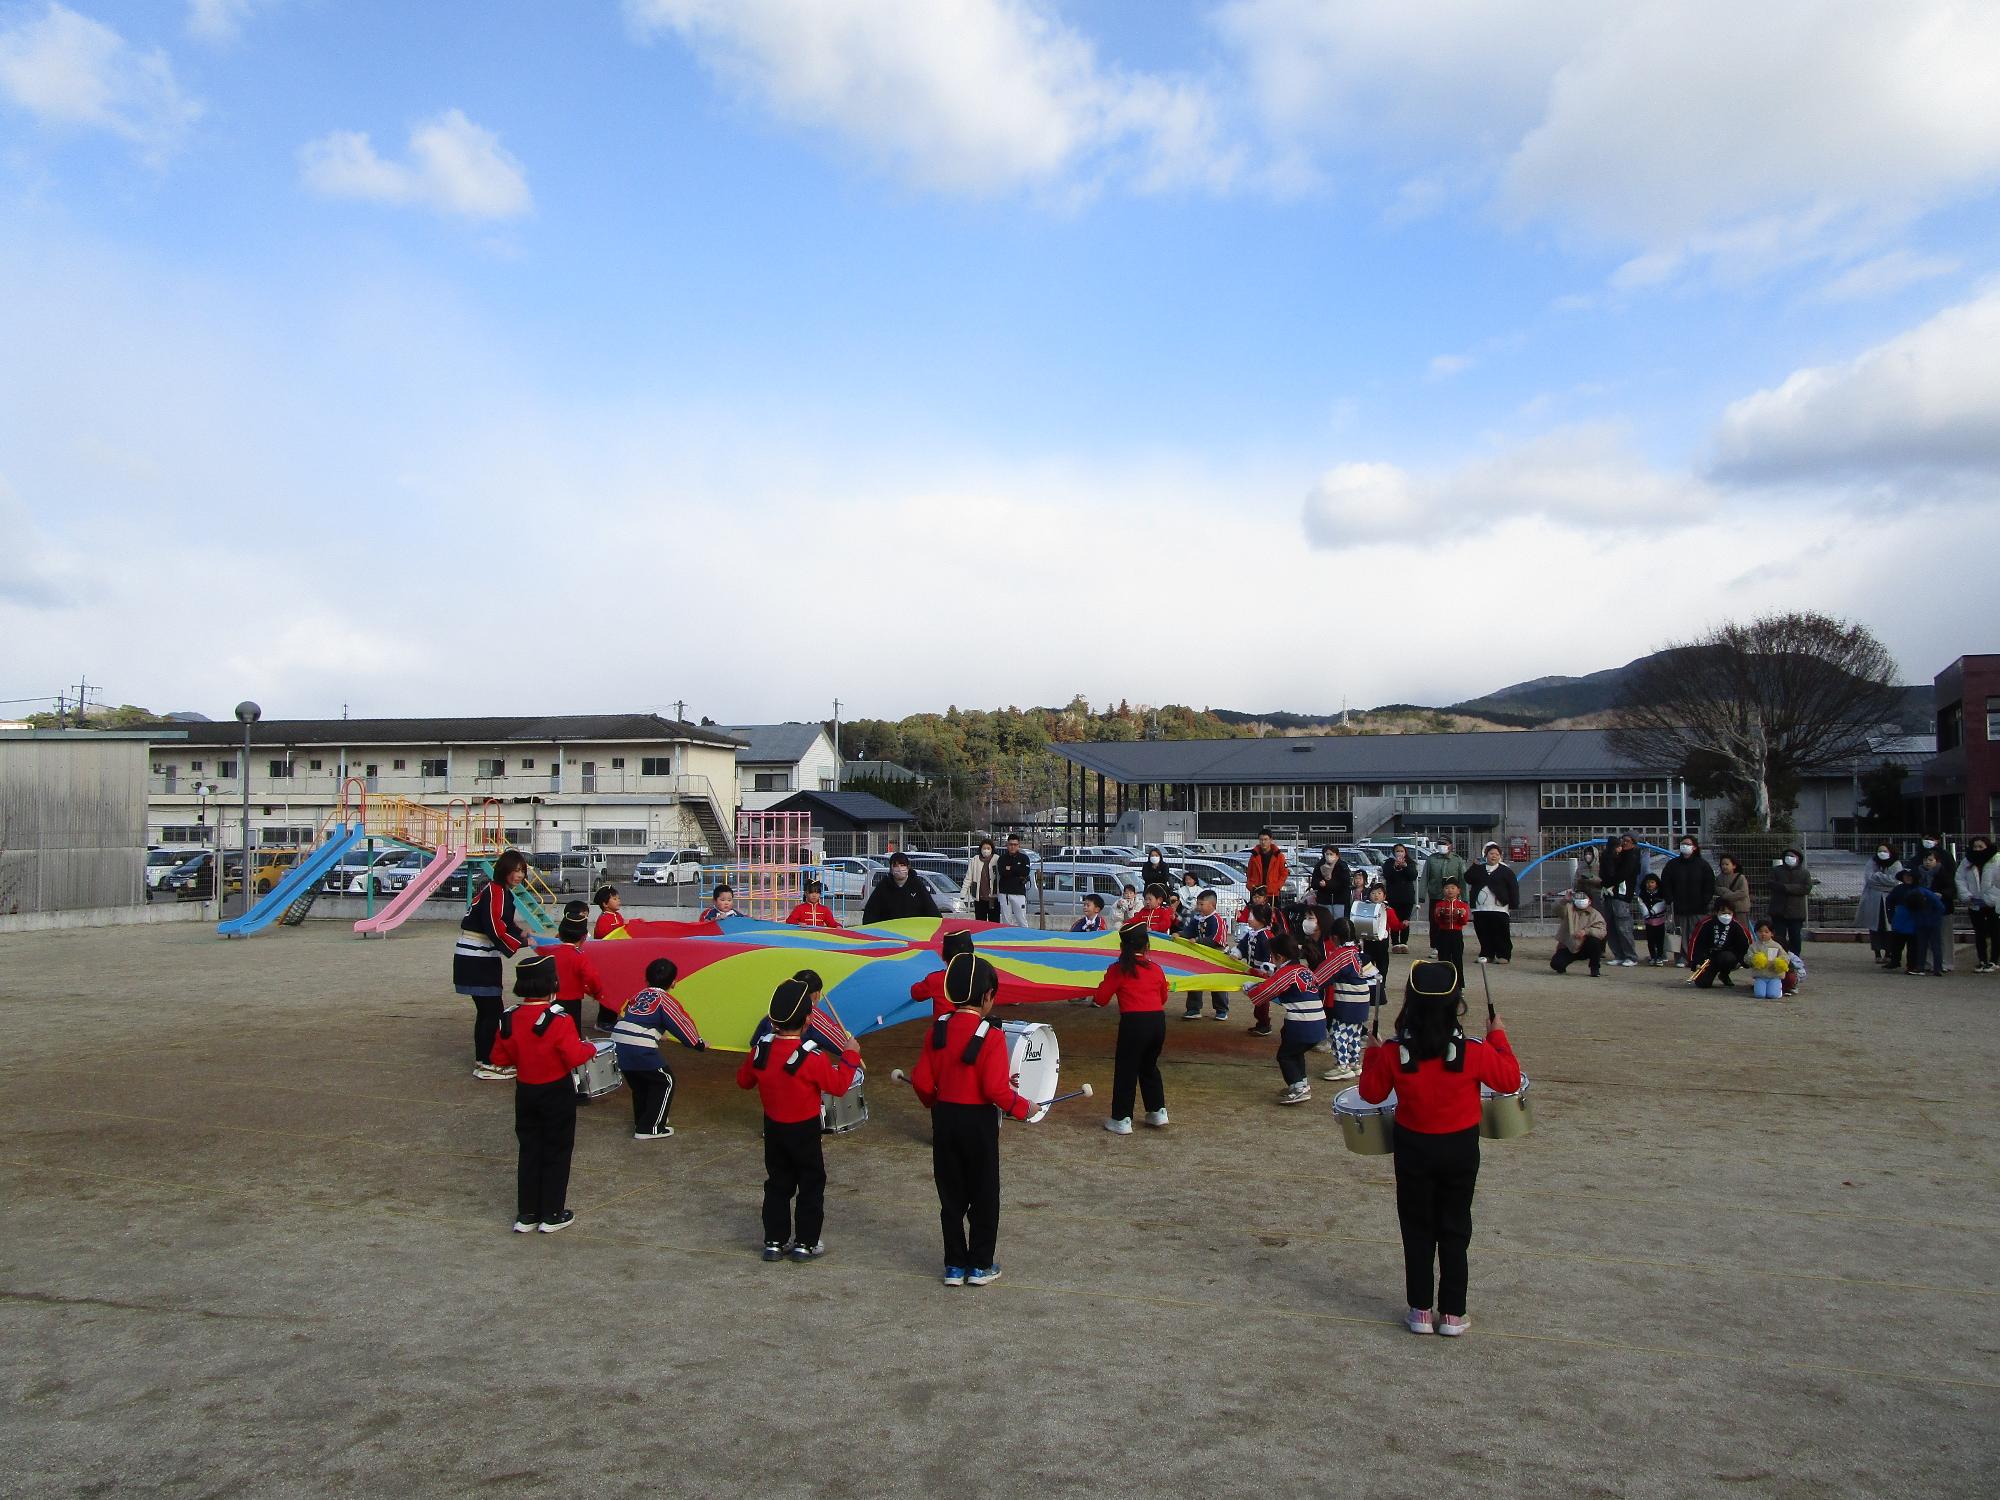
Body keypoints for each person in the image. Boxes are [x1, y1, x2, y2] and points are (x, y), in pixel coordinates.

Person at [1359, 960, 1521, 1336]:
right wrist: (1499, 1037)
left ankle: (1419, 1310)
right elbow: (1510, 1080)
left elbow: (1370, 1093)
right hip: (1460, 1147)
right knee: (1455, 1226)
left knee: (1416, 1227)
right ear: (1456, 1004)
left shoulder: (1394, 1052)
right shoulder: (1476, 1051)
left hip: (1413, 1146)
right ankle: (1451, 1313)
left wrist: (1373, 1053)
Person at [909, 953, 1035, 1287]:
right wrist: (1024, 1108)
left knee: (950, 1195)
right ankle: (979, 1265)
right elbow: (994, 1089)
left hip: (945, 1118)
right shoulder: (991, 1036)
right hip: (978, 1122)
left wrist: (934, 1102)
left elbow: (922, 1081)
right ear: (987, 997)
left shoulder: (936, 1030)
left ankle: (953, 1265)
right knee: (984, 1194)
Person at [736, 977, 861, 1262]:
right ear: (808, 1020)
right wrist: (851, 1055)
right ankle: (805, 1242)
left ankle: (774, 1242)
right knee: (811, 1184)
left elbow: (743, 1081)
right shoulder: (811, 1057)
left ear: (773, 1018)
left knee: (778, 1184)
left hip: (773, 1127)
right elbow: (840, 1085)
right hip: (804, 1129)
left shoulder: (760, 1051)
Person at [491, 952, 597, 1233]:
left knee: (529, 1150)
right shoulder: (559, 1019)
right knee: (557, 1150)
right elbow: (574, 1056)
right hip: (556, 1091)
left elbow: (499, 1059)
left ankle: (527, 1214)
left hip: (525, 1091)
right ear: (553, 984)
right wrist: (590, 1047)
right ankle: (551, 1213)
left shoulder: (508, 1017)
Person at [457, 849, 533, 1081]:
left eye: (522, 871)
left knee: (488, 1011)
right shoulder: (496, 891)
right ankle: (487, 1062)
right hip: (476, 958)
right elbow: (495, 928)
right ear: (504, 870)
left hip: (480, 957)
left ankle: (485, 1059)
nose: (519, 875)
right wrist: (522, 942)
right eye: (515, 870)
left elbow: (505, 921)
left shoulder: (501, 892)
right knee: (491, 1012)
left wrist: (520, 932)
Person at [611, 957, 707, 1138]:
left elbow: (629, 1015)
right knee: (665, 1081)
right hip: (640, 1046)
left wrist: (657, 1032)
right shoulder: (665, 999)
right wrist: (698, 1043)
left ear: (646, 980)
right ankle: (651, 1128)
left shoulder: (639, 995)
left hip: (619, 1041)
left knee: (641, 1085)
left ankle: (645, 1119)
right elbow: (680, 1023)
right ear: (674, 982)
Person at [1091, 922, 1169, 1133]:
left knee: (1126, 1069)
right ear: (1146, 946)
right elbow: (1163, 996)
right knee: (1149, 1066)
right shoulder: (1156, 968)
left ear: (1122, 946)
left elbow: (1101, 998)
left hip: (1133, 1023)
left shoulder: (1118, 970)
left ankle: (1122, 1118)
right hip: (1157, 1022)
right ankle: (1157, 1111)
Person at [1247, 933, 1323, 1105]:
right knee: (1296, 1053)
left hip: (1301, 1023)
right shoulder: (1304, 970)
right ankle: (1301, 1084)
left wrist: (1249, 989)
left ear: (1279, 956)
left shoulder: (1287, 972)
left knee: (1285, 1055)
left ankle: (1298, 1088)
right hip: (1318, 1022)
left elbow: (1265, 992)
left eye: (1273, 957)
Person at [1312, 918, 1379, 1084]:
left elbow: (1320, 976)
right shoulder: (1356, 951)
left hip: (1348, 1000)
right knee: (1354, 1033)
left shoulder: (1340, 955)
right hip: (1362, 997)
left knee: (1338, 1032)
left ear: (1334, 938)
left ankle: (1342, 1066)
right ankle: (1354, 1063)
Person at [552, 899, 613, 1039]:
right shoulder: (579, 956)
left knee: (555, 1028)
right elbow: (591, 976)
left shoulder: (552, 953)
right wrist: (597, 993)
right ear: (584, 937)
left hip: (552, 999)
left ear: (559, 935)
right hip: (572, 1000)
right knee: (572, 1030)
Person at [1660, 837, 1716, 968]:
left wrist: (1704, 901)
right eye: (1683, 843)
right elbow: (1666, 882)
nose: (1685, 846)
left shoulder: (1703, 865)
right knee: (1679, 934)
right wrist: (1669, 899)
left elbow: (1709, 885)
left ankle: (1696, 957)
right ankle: (1681, 958)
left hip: (1698, 908)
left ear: (1695, 847)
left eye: (1688, 844)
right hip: (1678, 906)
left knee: (1696, 934)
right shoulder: (1672, 864)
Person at [1180, 889, 1232, 1021]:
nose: (1198, 907)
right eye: (1198, 904)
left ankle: (1221, 1010)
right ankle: (1193, 1009)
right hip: (1200, 955)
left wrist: (1198, 940)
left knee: (1218, 984)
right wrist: (1179, 935)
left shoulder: (1217, 920)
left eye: (1201, 904)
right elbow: (1188, 931)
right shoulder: (1197, 918)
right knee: (1195, 981)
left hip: (1217, 957)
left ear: (1212, 905)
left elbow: (1216, 940)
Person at [1464, 843, 1517, 965]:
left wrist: (1513, 904)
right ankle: (1487, 954)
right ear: (1486, 855)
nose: (1494, 856)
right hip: (1480, 908)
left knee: (1501, 932)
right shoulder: (1479, 869)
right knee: (1483, 931)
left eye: (1497, 854)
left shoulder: (1506, 871)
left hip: (1499, 908)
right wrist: (1474, 866)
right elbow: (1467, 878)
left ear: (1500, 856)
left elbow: (1513, 888)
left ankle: (1503, 955)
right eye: (1491, 853)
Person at [1888, 867, 1945, 976]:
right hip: (1917, 923)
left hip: (1925, 923)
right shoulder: (1900, 889)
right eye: (1905, 876)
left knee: (1932, 946)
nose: (1908, 878)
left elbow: (1940, 907)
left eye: (1910, 876)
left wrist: (1934, 919)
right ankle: (1919, 967)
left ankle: (1936, 968)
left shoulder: (1924, 892)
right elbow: (1890, 901)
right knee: (1919, 946)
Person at [1956, 835, 2000, 973]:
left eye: (1980, 846)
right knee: (1979, 933)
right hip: (1974, 902)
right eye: (1975, 846)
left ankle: (1993, 961)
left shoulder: (1997, 860)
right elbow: (1960, 879)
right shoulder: (1967, 861)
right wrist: (1966, 895)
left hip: (1994, 903)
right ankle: (1982, 960)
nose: (1977, 849)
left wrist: (1989, 898)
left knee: (1995, 932)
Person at [910, 932, 978, 1018]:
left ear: (944, 956)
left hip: (944, 1029)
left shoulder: (935, 979)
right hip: (974, 1027)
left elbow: (916, 994)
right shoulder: (981, 975)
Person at [1685, 899, 1749, 988]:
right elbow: (1696, 943)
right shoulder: (1705, 924)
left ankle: (1724, 974)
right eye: (1723, 913)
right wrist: (1695, 962)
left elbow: (1745, 945)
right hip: (1707, 958)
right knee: (1703, 984)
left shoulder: (1737, 926)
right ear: (1716, 912)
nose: (1726, 916)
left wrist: (1741, 960)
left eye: (1729, 913)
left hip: (1726, 956)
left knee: (1727, 958)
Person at [862, 853, 941, 924]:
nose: (899, 868)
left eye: (902, 865)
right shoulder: (883, 886)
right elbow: (871, 912)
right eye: (895, 865)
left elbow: (931, 909)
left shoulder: (917, 885)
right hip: (889, 932)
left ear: (908, 867)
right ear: (891, 868)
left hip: (913, 931)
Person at [1600, 835, 1642, 967]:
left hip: (1622, 895)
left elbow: (1622, 874)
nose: (1624, 844)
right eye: (1622, 841)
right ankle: (1618, 955)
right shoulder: (1613, 856)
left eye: (1627, 841)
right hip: (1609, 894)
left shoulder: (1632, 857)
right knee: (1611, 926)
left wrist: (1609, 882)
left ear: (1634, 843)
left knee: (1623, 926)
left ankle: (1630, 956)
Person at [1918, 839, 1958, 972]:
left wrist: (1942, 894)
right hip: (1925, 910)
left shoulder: (1944, 873)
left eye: (1930, 860)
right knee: (1927, 939)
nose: (1927, 862)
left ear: (1937, 861)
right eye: (1925, 860)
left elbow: (1951, 889)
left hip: (1943, 909)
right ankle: (1928, 962)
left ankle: (1946, 962)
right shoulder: (1919, 874)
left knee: (1944, 937)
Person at [1236, 903, 1276, 1036]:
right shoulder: (1251, 934)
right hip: (1254, 970)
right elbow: (1242, 946)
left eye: (1252, 916)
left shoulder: (1266, 936)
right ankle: (1261, 1023)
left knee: (1262, 1001)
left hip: (1262, 973)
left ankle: (1264, 1024)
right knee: (1258, 1000)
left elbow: (1269, 956)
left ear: (1262, 919)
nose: (1249, 918)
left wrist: (1263, 970)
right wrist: (1237, 953)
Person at [1860, 845, 1903, 966]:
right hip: (1874, 899)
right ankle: (1877, 953)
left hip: (1889, 899)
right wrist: (1884, 881)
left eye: (1885, 851)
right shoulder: (1872, 862)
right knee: (1875, 926)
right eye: (1879, 851)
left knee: (1889, 926)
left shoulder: (1896, 864)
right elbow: (1869, 879)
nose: (1882, 853)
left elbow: (1894, 881)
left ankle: (1889, 953)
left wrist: (1878, 877)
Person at [1421, 839, 1467, 950]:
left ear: (1450, 845)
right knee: (1435, 922)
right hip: (1435, 896)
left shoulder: (1457, 860)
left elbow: (1462, 879)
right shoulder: (1431, 859)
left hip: (1454, 898)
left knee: (1453, 921)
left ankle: (1452, 946)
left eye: (1444, 844)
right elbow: (1424, 877)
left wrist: (1465, 897)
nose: (1442, 846)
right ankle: (1435, 947)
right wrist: (1421, 895)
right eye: (1440, 844)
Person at [1550, 890, 1607, 977]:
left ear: (1590, 901)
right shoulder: (1568, 909)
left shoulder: (1595, 914)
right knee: (1556, 964)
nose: (1581, 900)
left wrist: (1586, 932)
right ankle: (1562, 966)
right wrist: (1564, 900)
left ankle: (1594, 968)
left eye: (1584, 898)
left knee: (1594, 941)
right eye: (1578, 897)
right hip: (1569, 946)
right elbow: (1555, 909)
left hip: (1586, 946)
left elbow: (1602, 931)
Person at [1768, 850, 1813, 956]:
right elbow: (1770, 884)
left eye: (1792, 856)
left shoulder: (1804, 872)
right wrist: (1782, 887)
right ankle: (1777, 956)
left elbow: (1806, 888)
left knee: (1795, 936)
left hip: (1796, 912)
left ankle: (1795, 958)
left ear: (1798, 858)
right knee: (1778, 936)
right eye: (1787, 856)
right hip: (1778, 910)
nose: (1790, 858)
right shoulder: (1776, 870)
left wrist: (1786, 887)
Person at [1747, 921, 1804, 999]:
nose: (1763, 934)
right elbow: (1747, 958)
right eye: (1760, 931)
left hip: (1774, 976)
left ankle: (1779, 989)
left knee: (1772, 995)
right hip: (1760, 976)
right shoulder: (1753, 947)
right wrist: (1754, 960)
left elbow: (1785, 956)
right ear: (1756, 933)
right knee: (1759, 995)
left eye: (1766, 932)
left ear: (1772, 933)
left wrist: (1781, 962)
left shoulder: (1776, 945)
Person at [1381, 845, 1420, 953]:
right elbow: (1388, 875)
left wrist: (1405, 866)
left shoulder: (1410, 862)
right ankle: (1395, 943)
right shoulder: (1388, 863)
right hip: (1393, 896)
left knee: (1405, 921)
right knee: (1394, 920)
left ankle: (1404, 942)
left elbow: (1413, 876)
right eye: (1397, 851)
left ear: (1405, 852)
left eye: (1401, 851)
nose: (1399, 853)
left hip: (1407, 896)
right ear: (1393, 852)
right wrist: (1394, 866)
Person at [1429, 880, 1470, 977]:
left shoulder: (1462, 905)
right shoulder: (1439, 904)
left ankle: (1459, 985)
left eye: (1453, 888)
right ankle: (1443, 982)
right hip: (1443, 933)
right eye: (1447, 888)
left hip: (1456, 934)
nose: (1450, 890)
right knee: (1443, 958)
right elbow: (1438, 921)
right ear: (1443, 890)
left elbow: (1463, 922)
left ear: (1458, 890)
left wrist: (1462, 915)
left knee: (1457, 959)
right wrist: (1438, 913)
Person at [961, 839, 1003, 923]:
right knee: (980, 922)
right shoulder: (975, 860)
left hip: (993, 898)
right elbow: (968, 877)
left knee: (994, 923)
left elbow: (1002, 876)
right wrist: (963, 892)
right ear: (980, 849)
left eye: (988, 848)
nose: (986, 850)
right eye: (984, 848)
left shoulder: (997, 859)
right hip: (979, 898)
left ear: (992, 849)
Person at [1245, 832, 1289, 910]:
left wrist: (1277, 886)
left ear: (1271, 840)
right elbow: (1249, 872)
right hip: (1256, 892)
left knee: (1272, 917)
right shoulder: (1254, 856)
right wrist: (1251, 885)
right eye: (1261, 840)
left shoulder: (1278, 856)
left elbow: (1284, 873)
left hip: (1272, 893)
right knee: (1255, 916)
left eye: (1265, 839)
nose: (1263, 842)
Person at [996, 835, 1033, 928]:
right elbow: (1003, 873)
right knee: (1006, 921)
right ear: (1007, 845)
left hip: (1019, 893)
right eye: (1010, 844)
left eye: (1015, 844)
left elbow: (1025, 872)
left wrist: (1010, 869)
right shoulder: (1002, 859)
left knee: (1021, 919)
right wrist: (1016, 871)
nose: (1013, 847)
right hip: (1005, 893)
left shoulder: (1024, 858)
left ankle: (1025, 939)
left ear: (1018, 845)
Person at [1307, 846, 1353, 916]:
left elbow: (1345, 882)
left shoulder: (1342, 866)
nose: (1329, 856)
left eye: (1331, 854)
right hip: (1324, 900)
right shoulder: (1319, 865)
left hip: (1339, 901)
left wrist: (1328, 884)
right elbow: (1314, 882)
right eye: (1327, 854)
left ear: (1336, 855)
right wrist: (1319, 883)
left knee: (1338, 921)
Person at [1636, 873, 1670, 966]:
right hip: (1648, 922)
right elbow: (1641, 904)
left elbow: (1663, 904)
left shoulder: (1661, 893)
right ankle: (1653, 956)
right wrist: (1646, 913)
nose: (1650, 884)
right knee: (1650, 940)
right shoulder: (1643, 894)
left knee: (1660, 940)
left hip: (1660, 921)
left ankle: (1659, 957)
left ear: (1656, 883)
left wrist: (1653, 911)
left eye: (1652, 882)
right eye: (1648, 882)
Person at [1715, 853, 1751, 920]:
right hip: (1725, 910)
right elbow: (1717, 889)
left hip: (1740, 909)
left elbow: (1743, 893)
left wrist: (1726, 895)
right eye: (1722, 864)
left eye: (1727, 864)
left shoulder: (1741, 877)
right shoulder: (1719, 878)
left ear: (1734, 866)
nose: (1724, 866)